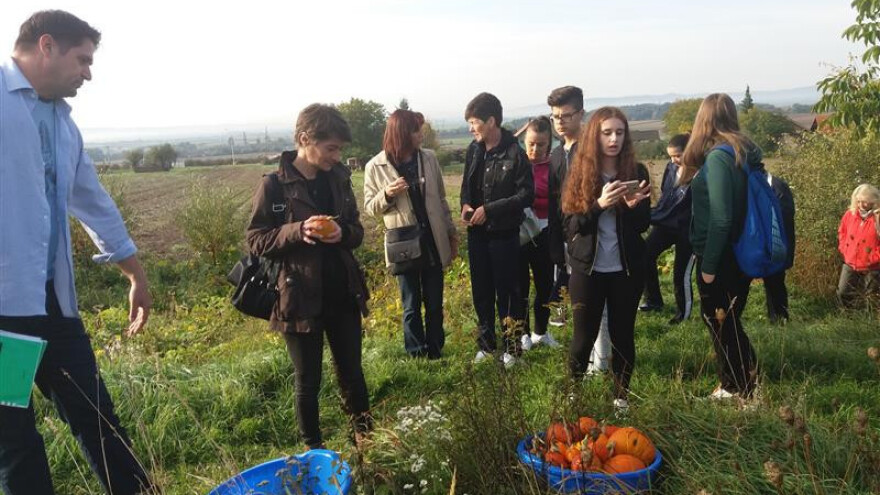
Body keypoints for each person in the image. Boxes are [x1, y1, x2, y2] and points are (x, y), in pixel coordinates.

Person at [0, 11, 152, 494]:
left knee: (97, 417)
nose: (88, 73)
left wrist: (134, 274)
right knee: (15, 436)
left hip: (53, 308)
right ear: (47, 46)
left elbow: (92, 201)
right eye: (83, 60)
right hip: (6, 318)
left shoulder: (63, 124)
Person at [246, 104, 372, 450]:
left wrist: (343, 233)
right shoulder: (273, 186)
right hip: (298, 298)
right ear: (305, 140)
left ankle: (367, 445)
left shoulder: (339, 178)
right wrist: (297, 231)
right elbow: (256, 240)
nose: (337, 156)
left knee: (353, 373)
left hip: (342, 292)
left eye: (340, 149)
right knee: (307, 381)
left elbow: (357, 230)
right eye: (331, 148)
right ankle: (313, 454)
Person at [561, 107, 652, 412]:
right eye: (607, 133)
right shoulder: (579, 172)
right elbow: (571, 226)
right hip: (588, 269)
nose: (614, 139)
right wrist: (599, 205)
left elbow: (643, 224)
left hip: (626, 269)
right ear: (594, 136)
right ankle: (573, 395)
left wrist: (631, 207)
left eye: (619, 133)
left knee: (622, 335)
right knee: (582, 337)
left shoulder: (637, 171)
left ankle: (621, 398)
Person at [681, 93, 760, 400]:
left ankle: (743, 389)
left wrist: (709, 266)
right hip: (741, 250)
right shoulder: (743, 153)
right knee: (728, 322)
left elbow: (721, 217)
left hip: (720, 254)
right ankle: (733, 384)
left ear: (704, 120)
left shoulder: (717, 158)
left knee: (722, 324)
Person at [363, 109, 458, 358]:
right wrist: (387, 194)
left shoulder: (429, 158)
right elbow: (370, 208)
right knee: (411, 304)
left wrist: (451, 233)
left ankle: (436, 350)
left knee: (434, 302)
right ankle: (416, 353)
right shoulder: (375, 166)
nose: (420, 135)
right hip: (403, 244)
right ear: (402, 134)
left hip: (433, 239)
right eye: (416, 131)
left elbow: (441, 199)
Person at [460, 92, 534, 367]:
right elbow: (466, 186)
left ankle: (512, 349)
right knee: (481, 291)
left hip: (504, 234)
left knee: (508, 292)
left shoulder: (515, 153)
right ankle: (487, 345)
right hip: (477, 234)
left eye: (474, 122)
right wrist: (466, 205)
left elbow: (525, 195)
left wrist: (490, 209)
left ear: (491, 121)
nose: (471, 128)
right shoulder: (474, 150)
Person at [640, 133, 695, 325]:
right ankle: (653, 301)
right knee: (644, 254)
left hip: (688, 229)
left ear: (690, 151)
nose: (673, 160)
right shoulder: (671, 168)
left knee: (681, 273)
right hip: (667, 223)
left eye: (678, 155)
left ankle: (682, 315)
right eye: (670, 156)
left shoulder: (701, 172)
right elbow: (666, 195)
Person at [517, 117, 559, 350]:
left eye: (541, 144)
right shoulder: (516, 163)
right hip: (521, 233)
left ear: (549, 143)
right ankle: (522, 334)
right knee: (520, 285)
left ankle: (540, 332)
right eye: (531, 143)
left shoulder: (555, 165)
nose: (535, 149)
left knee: (545, 285)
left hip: (546, 231)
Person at [547, 86, 585, 327]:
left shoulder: (592, 150)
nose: (560, 122)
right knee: (563, 275)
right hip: (564, 231)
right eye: (555, 117)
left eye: (566, 116)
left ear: (581, 114)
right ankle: (560, 315)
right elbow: (554, 200)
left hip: (589, 231)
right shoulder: (556, 155)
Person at [836, 184, 880, 308]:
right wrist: (844, 249)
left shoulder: (878, 217)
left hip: (873, 266)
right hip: (850, 262)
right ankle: (846, 316)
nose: (861, 204)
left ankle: (868, 319)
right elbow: (842, 232)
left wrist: (874, 258)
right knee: (843, 293)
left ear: (874, 201)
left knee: (871, 299)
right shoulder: (850, 214)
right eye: (859, 201)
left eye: (865, 202)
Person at [763, 173, 795, 322]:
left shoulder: (778, 187)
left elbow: (785, 215)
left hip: (777, 243)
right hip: (766, 243)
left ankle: (780, 318)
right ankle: (775, 317)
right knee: (771, 281)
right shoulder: (764, 184)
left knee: (775, 281)